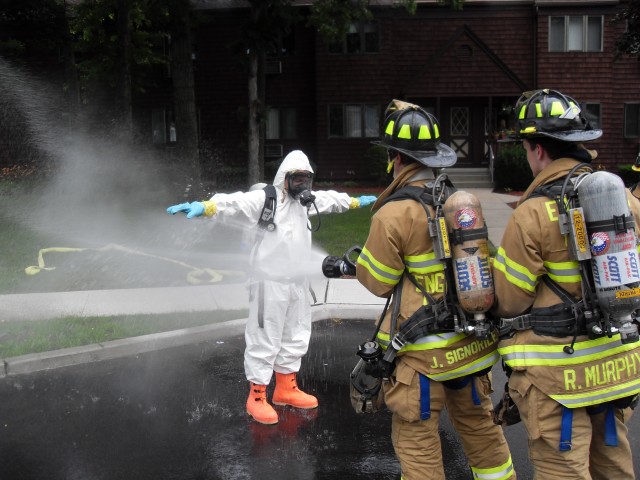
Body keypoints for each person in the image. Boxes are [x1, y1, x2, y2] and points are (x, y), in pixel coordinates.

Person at [355, 101, 515, 480]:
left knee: (419, 447)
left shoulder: (395, 212)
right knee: (484, 436)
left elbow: (378, 281)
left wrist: (357, 264)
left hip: (421, 361)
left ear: (395, 157)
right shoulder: (456, 202)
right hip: (471, 351)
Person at [491, 88, 640, 479]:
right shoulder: (622, 199)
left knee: (564, 471)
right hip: (615, 368)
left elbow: (508, 300)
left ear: (538, 150)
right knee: (614, 465)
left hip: (558, 379)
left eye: (525, 148)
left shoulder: (533, 214)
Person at [166, 150, 376, 425]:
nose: (303, 184)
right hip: (269, 285)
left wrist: (355, 201)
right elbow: (235, 203)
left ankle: (286, 388)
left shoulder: (304, 203)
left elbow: (330, 200)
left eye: (307, 178)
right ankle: (256, 397)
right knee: (264, 339)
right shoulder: (266, 200)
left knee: (296, 335)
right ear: (284, 178)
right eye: (297, 178)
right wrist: (206, 207)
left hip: (297, 284)